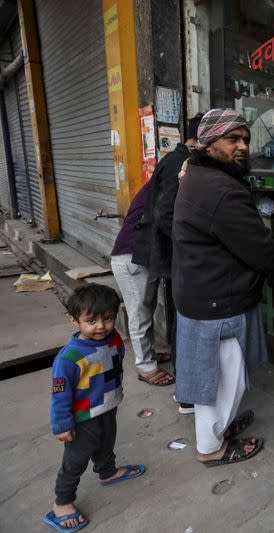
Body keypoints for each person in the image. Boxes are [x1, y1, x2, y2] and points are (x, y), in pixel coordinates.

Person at [172, 108, 274, 467]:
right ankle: (211, 448)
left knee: (224, 379)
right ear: (210, 143)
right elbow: (258, 245)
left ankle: (219, 429)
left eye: (245, 139)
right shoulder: (219, 188)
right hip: (216, 300)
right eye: (232, 139)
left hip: (202, 291)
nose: (242, 146)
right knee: (222, 383)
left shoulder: (198, 175)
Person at [45, 284, 145, 532]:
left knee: (106, 442)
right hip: (82, 417)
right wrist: (62, 424)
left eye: (108, 318)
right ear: (74, 320)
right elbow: (59, 393)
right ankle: (62, 502)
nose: (101, 326)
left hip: (108, 407)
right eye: (91, 320)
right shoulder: (68, 358)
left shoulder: (115, 339)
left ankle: (107, 472)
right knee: (76, 459)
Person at [132, 112, 205, 414]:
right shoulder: (179, 163)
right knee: (182, 324)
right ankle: (186, 391)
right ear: (201, 138)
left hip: (175, 256)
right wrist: (194, 246)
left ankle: (186, 386)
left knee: (181, 322)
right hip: (176, 257)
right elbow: (166, 216)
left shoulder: (180, 159)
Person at [110, 180, 174, 387]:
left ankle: (150, 355)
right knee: (140, 313)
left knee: (147, 309)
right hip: (131, 258)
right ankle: (145, 366)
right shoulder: (166, 188)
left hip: (138, 256)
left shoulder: (157, 187)